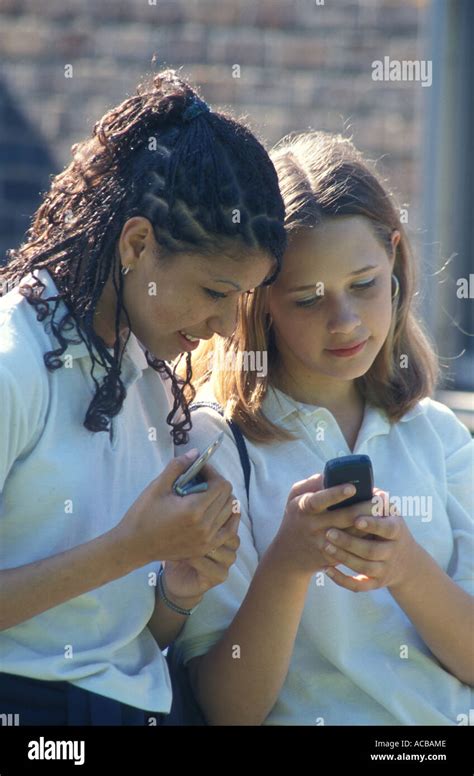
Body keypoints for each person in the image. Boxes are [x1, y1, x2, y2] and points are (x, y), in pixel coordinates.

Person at [0, 69, 287, 725]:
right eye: (216, 292)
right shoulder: (13, 362)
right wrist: (130, 548)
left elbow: (126, 647)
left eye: (242, 299)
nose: (226, 327)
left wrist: (179, 594)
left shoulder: (157, 383)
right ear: (136, 244)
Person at [170, 131, 474, 725]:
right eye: (308, 298)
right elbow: (227, 709)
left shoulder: (438, 436)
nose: (344, 321)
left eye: (362, 284)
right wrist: (287, 562)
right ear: (262, 304)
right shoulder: (217, 445)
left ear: (394, 258)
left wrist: (406, 567)